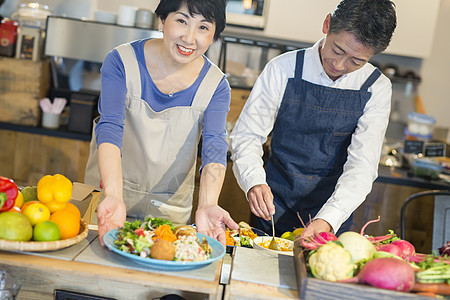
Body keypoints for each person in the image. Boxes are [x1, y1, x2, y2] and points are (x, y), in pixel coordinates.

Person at [230, 0, 397, 238]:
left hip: (332, 212)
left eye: (356, 61)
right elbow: (247, 136)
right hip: (271, 205)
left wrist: (329, 218)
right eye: (337, 50)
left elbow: (362, 165)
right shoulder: (282, 69)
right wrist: (254, 181)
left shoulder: (376, 88)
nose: (339, 65)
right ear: (327, 24)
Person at [85, 0, 239, 246]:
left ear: (213, 36)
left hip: (168, 209)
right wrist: (113, 195)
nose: (189, 38)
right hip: (109, 198)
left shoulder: (216, 86)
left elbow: (214, 147)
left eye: (203, 27)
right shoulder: (121, 62)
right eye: (181, 21)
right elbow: (110, 126)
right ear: (161, 20)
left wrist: (209, 203)